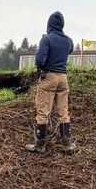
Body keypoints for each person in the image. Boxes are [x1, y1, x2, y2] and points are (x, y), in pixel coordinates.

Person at [27, 11, 76, 154]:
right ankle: (67, 144)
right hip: (63, 78)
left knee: (43, 111)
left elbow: (40, 60)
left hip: (49, 77)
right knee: (63, 111)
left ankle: (40, 145)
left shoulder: (46, 39)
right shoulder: (69, 41)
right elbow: (70, 50)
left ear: (49, 25)